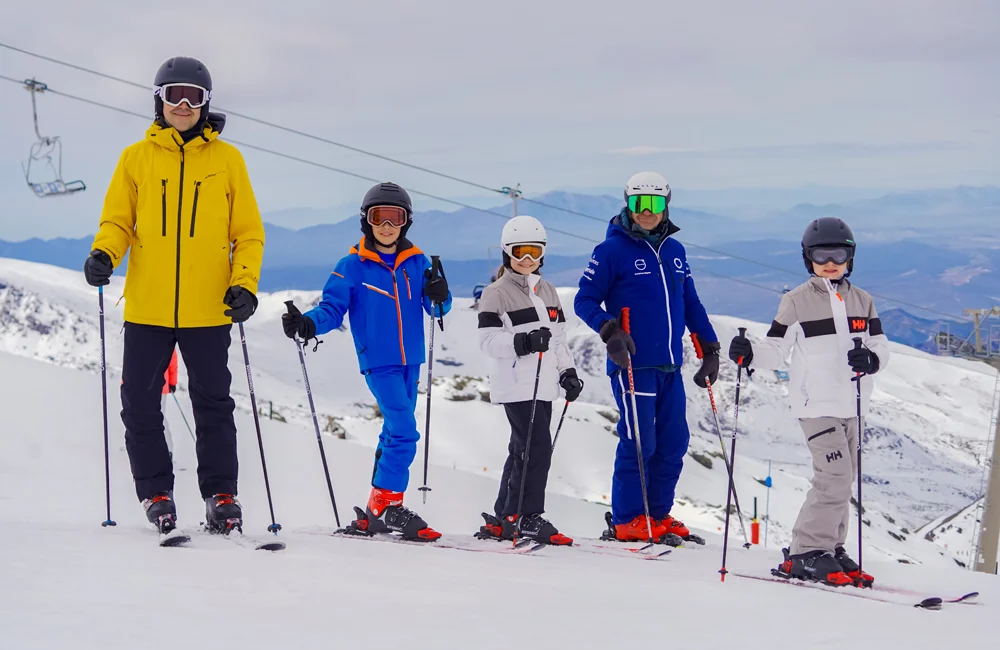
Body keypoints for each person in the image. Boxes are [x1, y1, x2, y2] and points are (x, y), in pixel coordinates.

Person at [83, 56, 265, 536]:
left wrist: (244, 283)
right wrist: (104, 253)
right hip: (149, 306)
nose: (183, 105)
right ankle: (156, 493)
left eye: (193, 96)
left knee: (214, 404)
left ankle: (221, 496)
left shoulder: (228, 160)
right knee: (140, 403)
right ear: (158, 100)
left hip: (209, 308)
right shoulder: (135, 158)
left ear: (206, 104)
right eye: (173, 94)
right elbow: (118, 222)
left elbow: (247, 233)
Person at [282, 182, 451, 541]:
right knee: (404, 430)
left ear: (406, 222)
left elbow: (437, 308)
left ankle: (377, 508)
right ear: (366, 221)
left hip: (411, 360)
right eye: (379, 217)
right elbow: (332, 308)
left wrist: (441, 294)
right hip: (379, 361)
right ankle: (389, 506)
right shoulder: (352, 266)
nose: (387, 226)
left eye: (395, 218)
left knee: (393, 430)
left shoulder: (418, 262)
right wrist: (308, 324)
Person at [728, 217, 889, 587]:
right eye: (821, 255)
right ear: (808, 259)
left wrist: (872, 359)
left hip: (854, 405)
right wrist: (749, 353)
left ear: (850, 258)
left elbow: (879, 344)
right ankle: (806, 552)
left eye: (838, 255)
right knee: (834, 477)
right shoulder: (796, 301)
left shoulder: (863, 300)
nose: (830, 263)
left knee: (844, 479)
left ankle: (829, 546)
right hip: (816, 406)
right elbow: (776, 348)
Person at [574, 172, 720, 542]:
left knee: (673, 443)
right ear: (628, 204)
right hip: (632, 364)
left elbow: (690, 302)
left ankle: (656, 514)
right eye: (638, 203)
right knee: (640, 442)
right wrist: (609, 330)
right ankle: (627, 519)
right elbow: (584, 299)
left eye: (654, 203)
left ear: (666, 205)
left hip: (670, 364)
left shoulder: (674, 250)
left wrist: (710, 348)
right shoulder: (611, 251)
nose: (646, 211)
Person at [475, 216, 583, 546]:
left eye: (533, 252)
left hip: (544, 384)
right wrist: (523, 342)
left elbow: (559, 339)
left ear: (542, 254)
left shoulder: (547, 291)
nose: (526, 259)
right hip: (515, 384)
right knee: (536, 449)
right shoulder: (496, 293)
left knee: (522, 449)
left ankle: (506, 515)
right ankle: (527, 515)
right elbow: (488, 341)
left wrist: (567, 372)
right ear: (507, 252)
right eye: (520, 251)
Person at [162, 349, 179, 458]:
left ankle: (168, 451)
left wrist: (172, 381)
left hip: (160, 387)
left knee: (159, 418)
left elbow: (172, 359)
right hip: (141, 387)